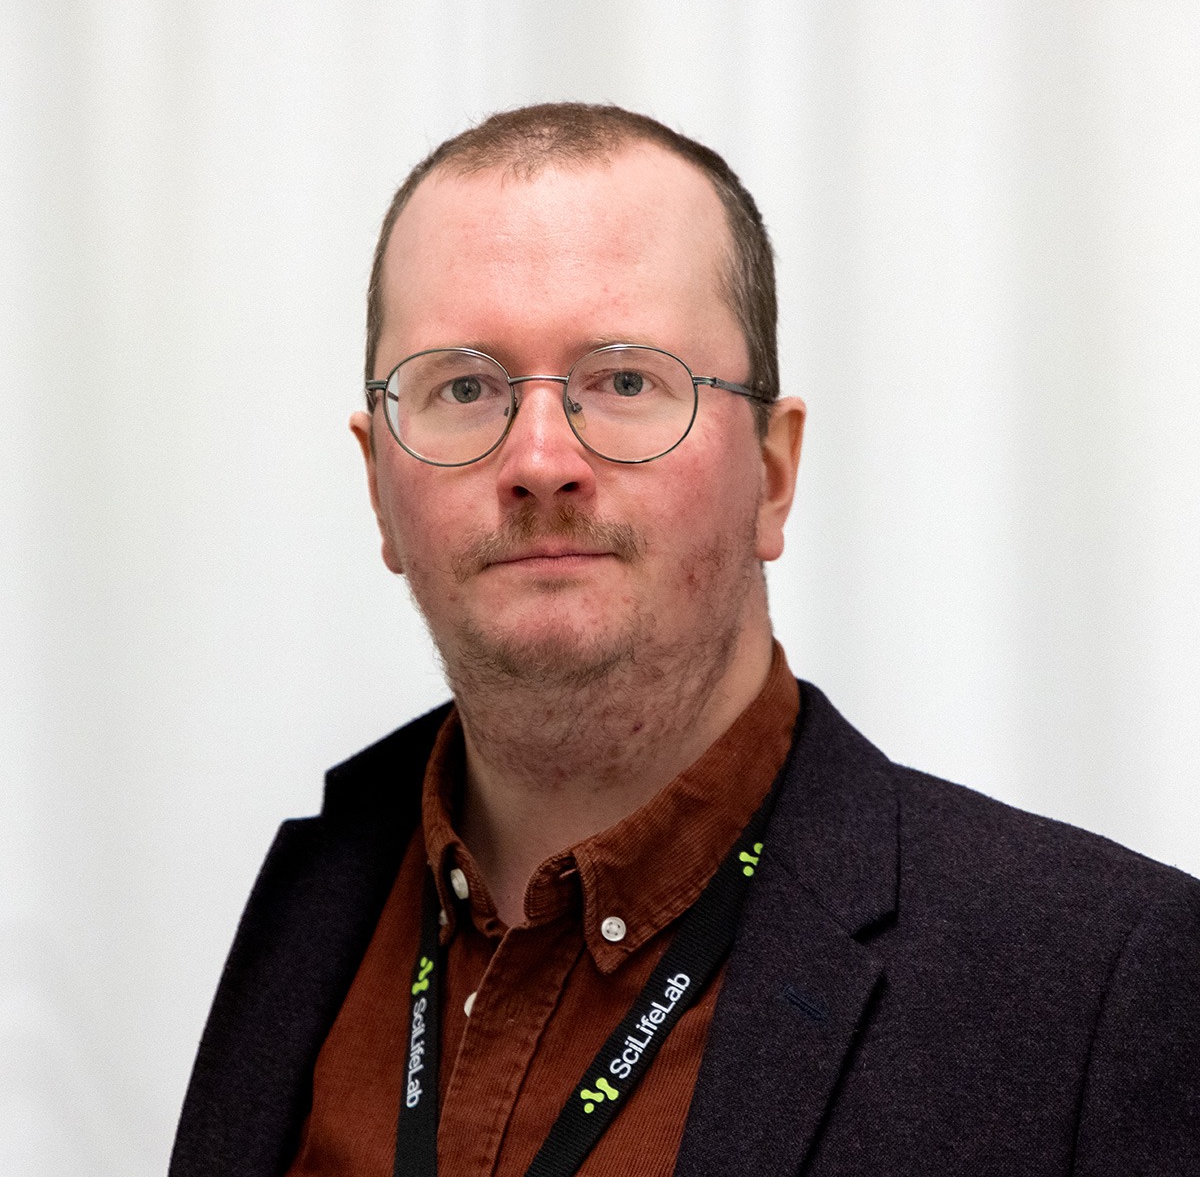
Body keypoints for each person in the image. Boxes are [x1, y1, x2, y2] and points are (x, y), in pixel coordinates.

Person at [170, 104, 1200, 1177]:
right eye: (463, 388)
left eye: (624, 381)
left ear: (775, 471)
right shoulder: (315, 905)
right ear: (379, 486)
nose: (538, 458)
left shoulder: (1099, 991)